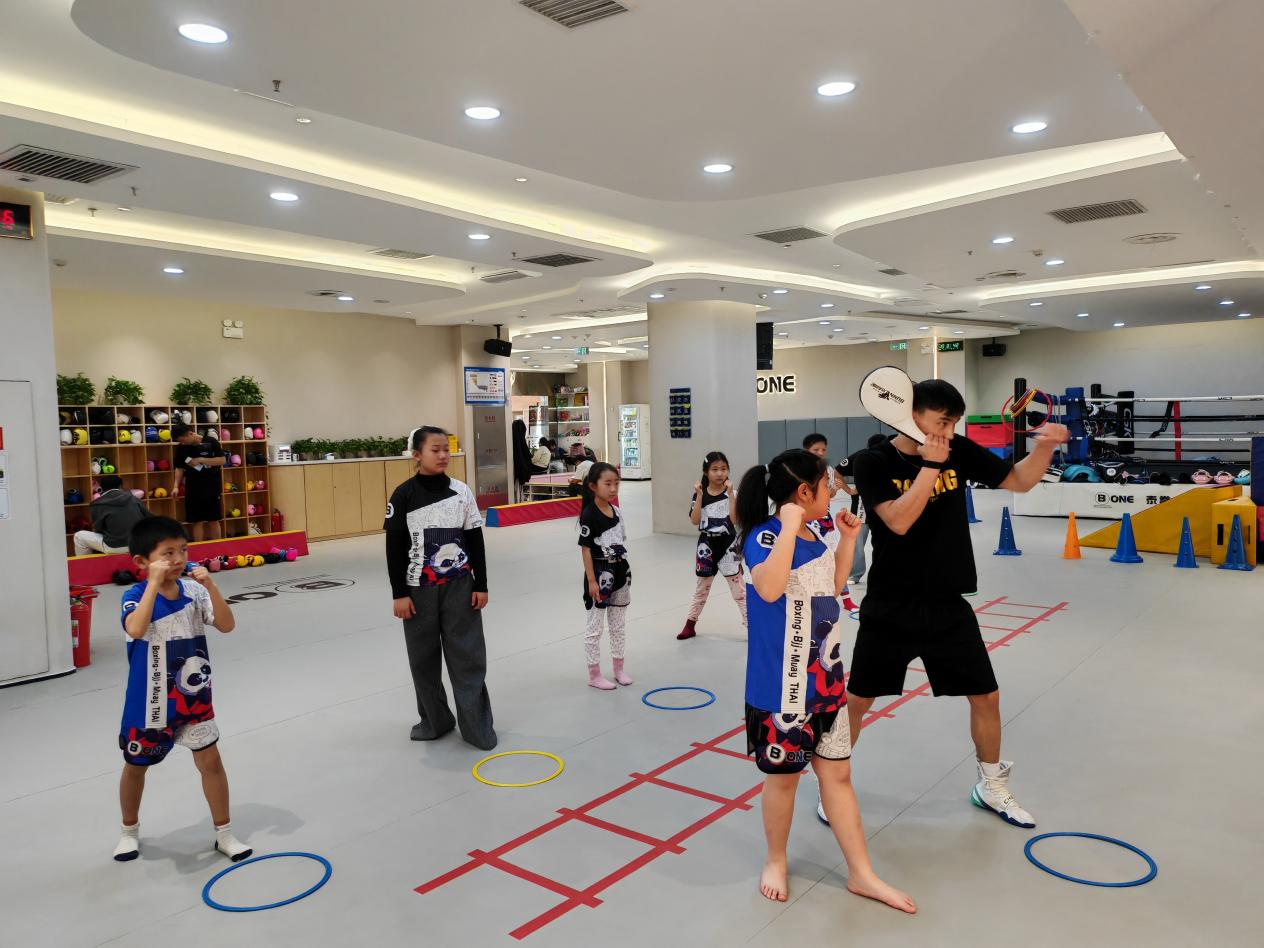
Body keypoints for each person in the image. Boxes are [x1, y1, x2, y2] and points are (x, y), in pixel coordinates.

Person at [834, 378, 1069, 830]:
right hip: (890, 603)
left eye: (953, 423)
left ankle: (991, 785)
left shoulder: (957, 449)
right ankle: (833, 784)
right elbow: (897, 521)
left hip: (947, 601)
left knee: (986, 696)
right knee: (858, 700)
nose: (948, 431)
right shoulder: (873, 461)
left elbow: (1018, 481)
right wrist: (931, 466)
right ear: (912, 415)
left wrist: (1044, 448)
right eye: (942, 422)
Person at [734, 449, 915, 913]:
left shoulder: (814, 532)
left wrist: (847, 542)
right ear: (802, 492)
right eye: (824, 484)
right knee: (784, 781)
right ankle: (776, 860)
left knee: (838, 775)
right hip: (782, 691)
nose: (832, 490)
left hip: (826, 683)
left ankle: (861, 873)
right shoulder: (764, 535)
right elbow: (769, 588)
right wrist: (788, 527)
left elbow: (831, 588)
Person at [113, 516, 250, 863]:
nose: (178, 559)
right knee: (135, 766)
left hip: (194, 697)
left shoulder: (194, 592)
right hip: (150, 703)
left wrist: (211, 586)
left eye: (183, 551)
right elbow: (136, 628)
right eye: (168, 553)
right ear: (141, 562)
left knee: (211, 761)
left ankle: (224, 833)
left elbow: (227, 625)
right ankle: (129, 831)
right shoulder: (134, 596)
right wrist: (152, 584)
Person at [385, 426, 496, 751]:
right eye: (435, 450)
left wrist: (481, 583)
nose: (443, 455)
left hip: (460, 587)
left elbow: (475, 539)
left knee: (468, 657)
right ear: (416, 455)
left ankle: (476, 728)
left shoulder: (461, 492)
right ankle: (435, 721)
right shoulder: (403, 495)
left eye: (446, 449)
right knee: (423, 661)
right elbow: (394, 549)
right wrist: (399, 593)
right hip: (417, 591)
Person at [678, 451, 746, 640]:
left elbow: (735, 520)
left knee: (739, 590)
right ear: (706, 472)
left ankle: (752, 627)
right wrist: (700, 496)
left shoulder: (733, 494)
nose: (720, 473)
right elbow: (694, 520)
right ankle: (690, 625)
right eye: (715, 469)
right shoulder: (698, 494)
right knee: (702, 588)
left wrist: (730, 495)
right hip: (706, 545)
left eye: (723, 469)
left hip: (729, 545)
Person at [578, 462, 631, 690]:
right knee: (595, 627)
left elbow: (621, 542)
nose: (613, 489)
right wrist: (591, 580)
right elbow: (586, 549)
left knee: (618, 625)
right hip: (599, 574)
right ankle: (594, 674)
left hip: (620, 572)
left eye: (616, 483)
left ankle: (619, 669)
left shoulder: (617, 512)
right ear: (593, 486)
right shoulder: (589, 515)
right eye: (607, 484)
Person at [801, 433, 853, 610]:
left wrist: (834, 489)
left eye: (823, 449)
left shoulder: (828, 469)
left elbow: (829, 495)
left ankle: (846, 599)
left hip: (825, 520)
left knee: (833, 558)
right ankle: (811, 598)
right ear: (806, 450)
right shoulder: (800, 469)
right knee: (810, 561)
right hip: (807, 521)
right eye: (816, 449)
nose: (821, 453)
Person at [834, 433, 890, 588]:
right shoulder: (860, 457)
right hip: (861, 506)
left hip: (885, 505)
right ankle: (855, 573)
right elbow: (837, 471)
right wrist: (849, 490)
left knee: (885, 541)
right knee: (857, 542)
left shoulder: (892, 456)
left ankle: (885, 574)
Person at [172, 423, 225, 542]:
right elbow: (179, 468)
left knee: (213, 519)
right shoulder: (182, 448)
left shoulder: (211, 442)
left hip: (211, 486)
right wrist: (175, 486)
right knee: (196, 521)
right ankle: (199, 548)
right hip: (193, 488)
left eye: (183, 440)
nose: (183, 443)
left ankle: (218, 548)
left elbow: (222, 460)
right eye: (180, 441)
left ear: (190, 434)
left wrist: (201, 460)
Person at [74, 474, 150, 556]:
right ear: (120, 486)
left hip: (114, 546)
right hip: (139, 545)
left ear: (101, 488)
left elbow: (98, 528)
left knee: (79, 536)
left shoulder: (97, 503)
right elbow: (150, 519)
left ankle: (86, 564)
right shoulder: (133, 498)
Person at [512, 418, 533, 501]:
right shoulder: (522, 443)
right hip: (520, 474)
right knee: (518, 495)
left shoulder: (512, 443)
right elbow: (528, 458)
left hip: (514, 473)